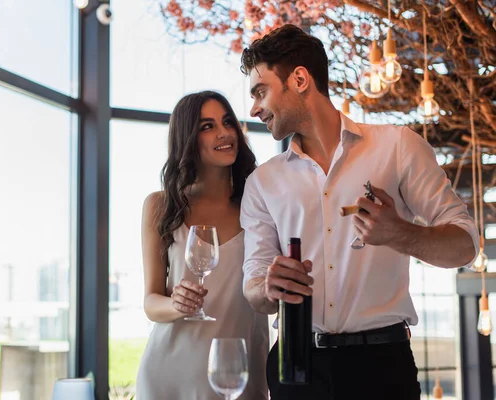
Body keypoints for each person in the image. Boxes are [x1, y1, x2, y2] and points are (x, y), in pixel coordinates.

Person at [238, 24, 479, 400]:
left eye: (260, 91)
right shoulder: (262, 183)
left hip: (382, 367)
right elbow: (253, 286)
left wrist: (400, 233)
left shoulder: (397, 147)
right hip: (294, 367)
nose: (253, 108)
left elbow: (465, 245)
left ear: (300, 79)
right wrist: (267, 286)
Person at [136, 90, 269, 399]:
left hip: (238, 374)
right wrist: (175, 304)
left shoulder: (260, 204)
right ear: (188, 138)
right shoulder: (161, 205)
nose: (224, 133)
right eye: (207, 126)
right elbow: (150, 302)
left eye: (227, 122)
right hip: (168, 374)